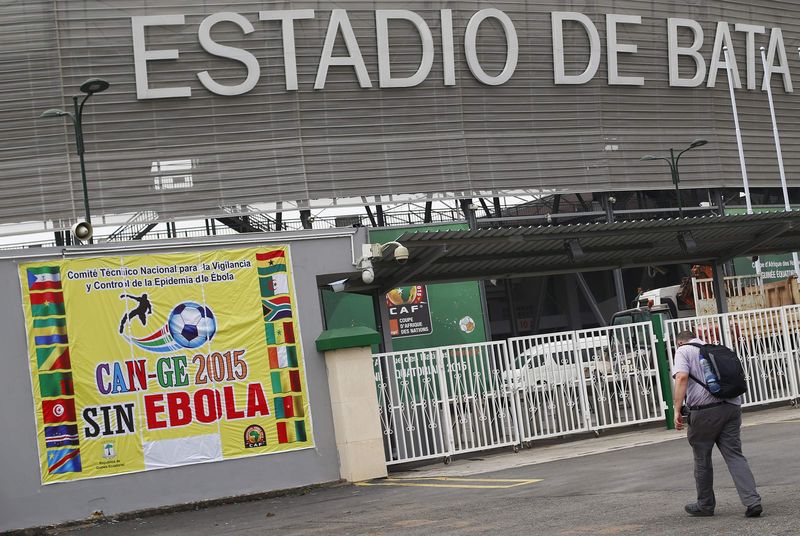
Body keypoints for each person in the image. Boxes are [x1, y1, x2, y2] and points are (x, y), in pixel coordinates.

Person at [672, 330, 762, 518]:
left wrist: (677, 409)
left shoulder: (683, 351)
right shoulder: (714, 349)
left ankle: (705, 505)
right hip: (731, 407)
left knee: (702, 457)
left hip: (705, 413)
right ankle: (753, 502)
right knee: (735, 456)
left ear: (680, 342)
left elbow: (681, 378)